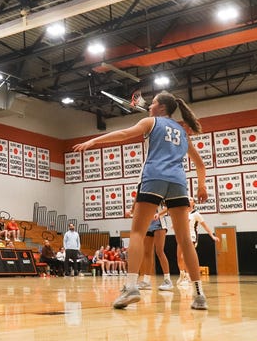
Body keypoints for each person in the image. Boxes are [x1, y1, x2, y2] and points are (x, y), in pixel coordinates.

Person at [74, 90, 209, 310]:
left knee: (137, 232)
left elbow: (124, 134)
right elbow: (200, 165)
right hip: (178, 182)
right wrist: (202, 186)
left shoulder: (151, 121)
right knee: (184, 240)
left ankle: (130, 287)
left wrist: (94, 140)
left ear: (161, 107)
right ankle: (199, 295)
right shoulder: (183, 132)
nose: (149, 106)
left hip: (154, 177)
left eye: (152, 103)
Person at [176, 198, 220, 287]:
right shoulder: (183, 212)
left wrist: (212, 236)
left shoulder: (196, 214)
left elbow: (205, 226)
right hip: (181, 236)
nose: (189, 200)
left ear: (194, 203)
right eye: (188, 199)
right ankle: (182, 275)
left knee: (185, 257)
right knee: (179, 257)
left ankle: (188, 277)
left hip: (191, 237)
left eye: (191, 199)